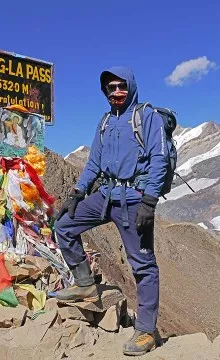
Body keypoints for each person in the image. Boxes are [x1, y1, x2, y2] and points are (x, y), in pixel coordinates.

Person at [54, 66, 168, 356]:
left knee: (142, 265)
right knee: (64, 225)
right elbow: (94, 162)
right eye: (110, 88)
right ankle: (85, 284)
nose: (116, 92)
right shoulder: (105, 121)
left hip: (133, 201)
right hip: (105, 196)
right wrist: (78, 193)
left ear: (130, 86)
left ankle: (146, 331)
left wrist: (150, 201)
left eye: (121, 87)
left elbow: (159, 160)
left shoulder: (147, 117)